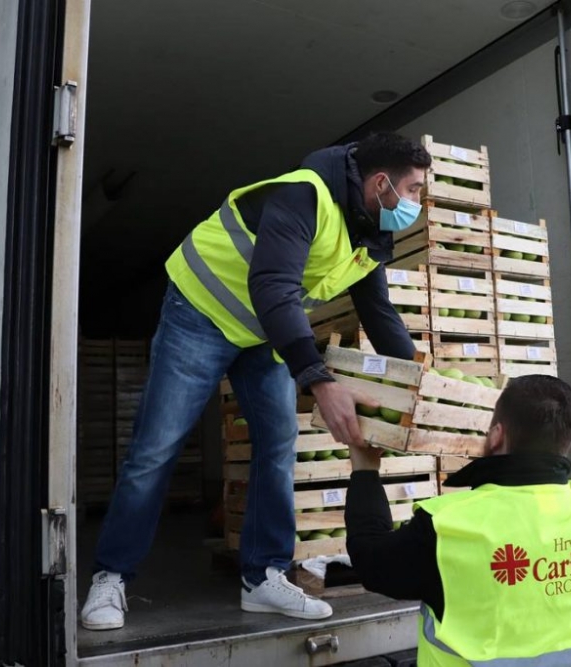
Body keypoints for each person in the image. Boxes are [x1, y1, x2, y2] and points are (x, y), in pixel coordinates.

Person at [80, 132, 432, 630]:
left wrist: (423, 384)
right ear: (382, 183)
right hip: (200, 312)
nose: (417, 201)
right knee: (156, 448)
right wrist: (318, 377)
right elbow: (272, 286)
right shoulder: (304, 195)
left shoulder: (370, 232)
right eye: (414, 189)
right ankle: (110, 576)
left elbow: (378, 312)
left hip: (260, 332)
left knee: (279, 445)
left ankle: (263, 577)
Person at [344, 375, 571, 666]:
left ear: (497, 434)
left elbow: (371, 560)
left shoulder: (449, 525)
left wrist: (365, 468)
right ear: (566, 442)